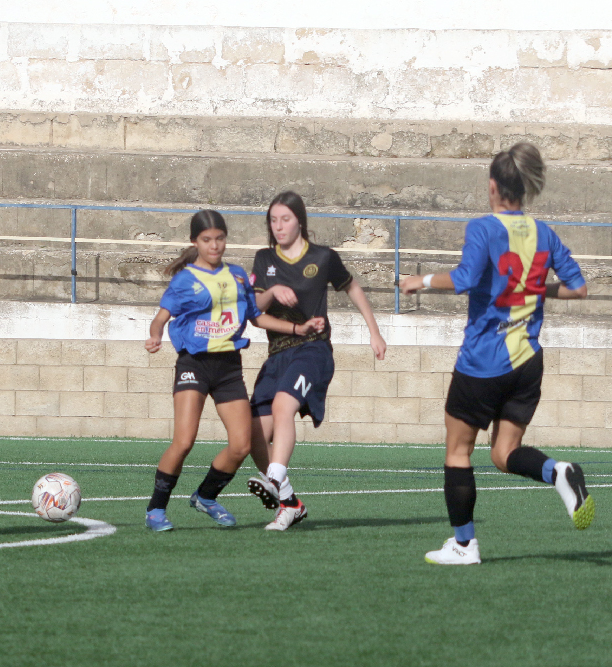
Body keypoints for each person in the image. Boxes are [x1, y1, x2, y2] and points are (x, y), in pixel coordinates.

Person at [401, 142, 593, 565]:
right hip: (528, 361)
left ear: (492, 187)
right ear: (524, 189)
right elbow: (579, 289)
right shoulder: (544, 233)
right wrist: (534, 289)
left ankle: (464, 545)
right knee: (504, 454)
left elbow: (466, 278)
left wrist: (422, 280)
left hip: (483, 361)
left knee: (458, 451)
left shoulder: (483, 228)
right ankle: (557, 471)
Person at [144, 210, 323, 531]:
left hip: (228, 367)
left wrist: (298, 328)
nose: (214, 245)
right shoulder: (185, 279)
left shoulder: (238, 275)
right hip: (194, 364)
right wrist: (155, 335)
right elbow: (160, 318)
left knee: (242, 445)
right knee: (184, 442)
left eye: (220, 238)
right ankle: (156, 509)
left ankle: (205, 496)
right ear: (195, 242)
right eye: (206, 240)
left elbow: (257, 316)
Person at [245, 191, 387, 530]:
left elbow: (352, 288)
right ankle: (290, 503)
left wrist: (374, 331)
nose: (279, 226)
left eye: (285, 219)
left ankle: (274, 478)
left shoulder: (323, 257)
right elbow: (255, 312)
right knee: (253, 436)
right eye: (273, 220)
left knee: (283, 406)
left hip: (312, 350)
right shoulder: (264, 259)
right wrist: (272, 291)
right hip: (277, 354)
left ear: (300, 221)